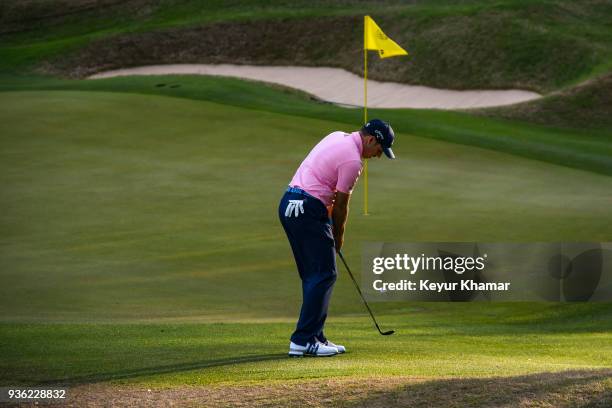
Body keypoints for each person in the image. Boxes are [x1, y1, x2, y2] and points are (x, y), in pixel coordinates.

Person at [278, 119, 396, 357]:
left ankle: (314, 335)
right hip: (308, 210)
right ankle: (303, 340)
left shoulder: (336, 135)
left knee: (314, 275)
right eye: (379, 150)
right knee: (324, 274)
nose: (377, 156)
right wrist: (338, 237)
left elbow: (327, 188)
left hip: (289, 204)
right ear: (371, 140)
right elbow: (341, 205)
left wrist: (328, 226)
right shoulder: (353, 161)